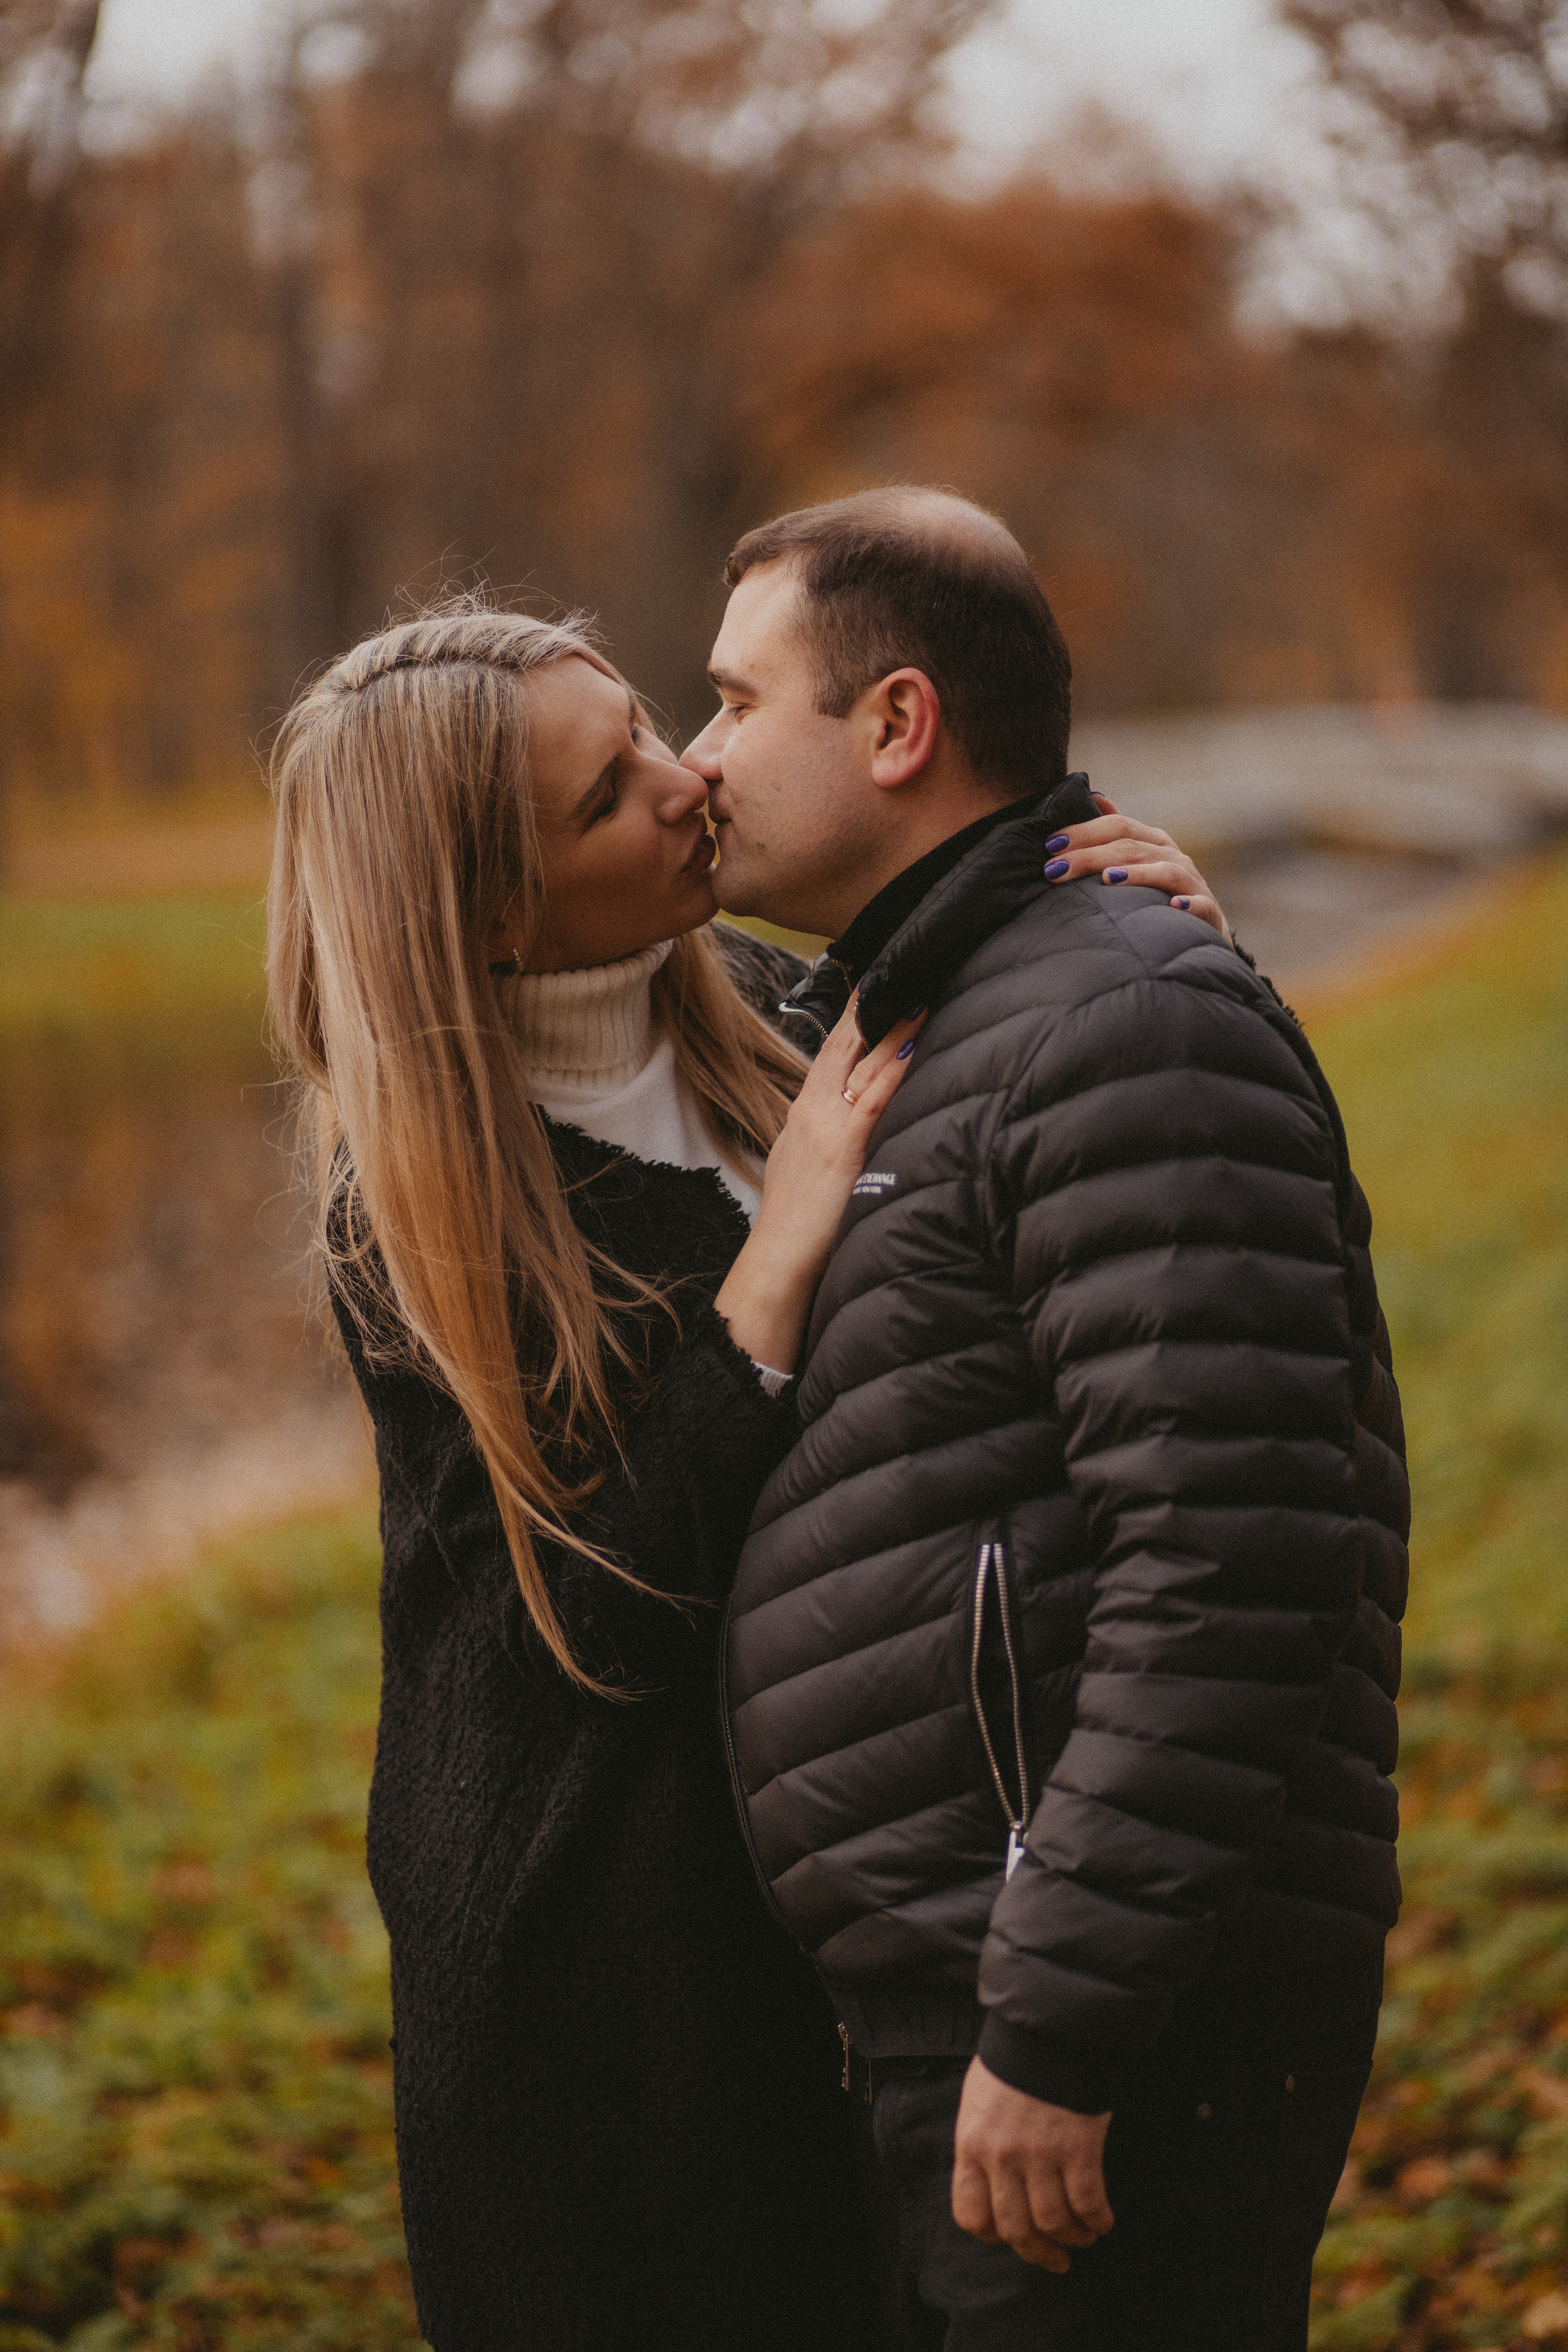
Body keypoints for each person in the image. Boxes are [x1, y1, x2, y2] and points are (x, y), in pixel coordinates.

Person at [686, 489, 1409, 2351]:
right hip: (983, 1995)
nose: (696, 759)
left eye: (731, 700)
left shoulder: (1122, 1019)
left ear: (897, 724)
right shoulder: (946, 1008)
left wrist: (1057, 2018)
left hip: (1104, 2019)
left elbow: (1236, 1563)